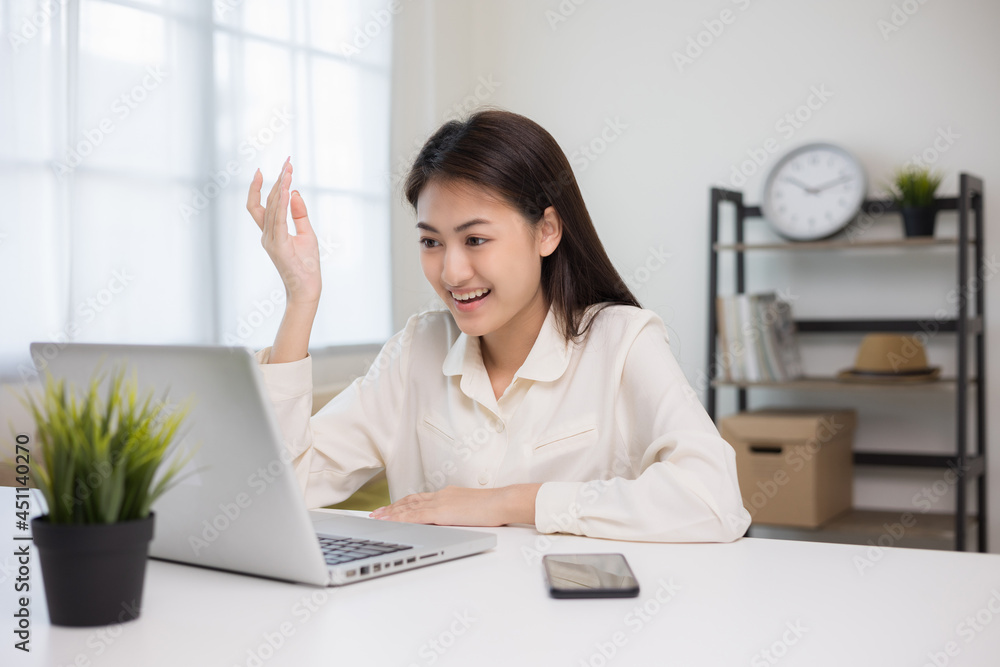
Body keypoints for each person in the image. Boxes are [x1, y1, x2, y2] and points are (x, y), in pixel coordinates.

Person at [245, 108, 751, 542]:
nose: (451, 272)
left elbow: (714, 500)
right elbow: (276, 493)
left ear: (546, 231)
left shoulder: (622, 341)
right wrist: (301, 299)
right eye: (431, 242)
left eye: (476, 240)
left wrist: (509, 503)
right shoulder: (417, 349)